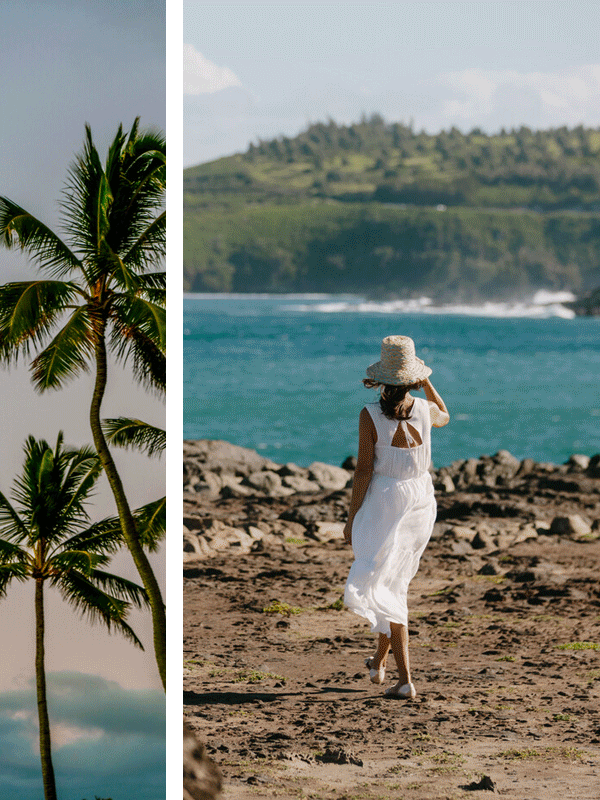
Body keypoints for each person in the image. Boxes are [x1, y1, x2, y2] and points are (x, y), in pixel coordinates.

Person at [343, 335, 449, 698]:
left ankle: (405, 681)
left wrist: (352, 516)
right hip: (420, 500)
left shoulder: (370, 414)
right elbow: (445, 415)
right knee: (391, 581)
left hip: (385, 501)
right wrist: (428, 383)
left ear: (384, 378)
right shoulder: (424, 408)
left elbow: (363, 471)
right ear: (413, 378)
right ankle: (378, 663)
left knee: (388, 585)